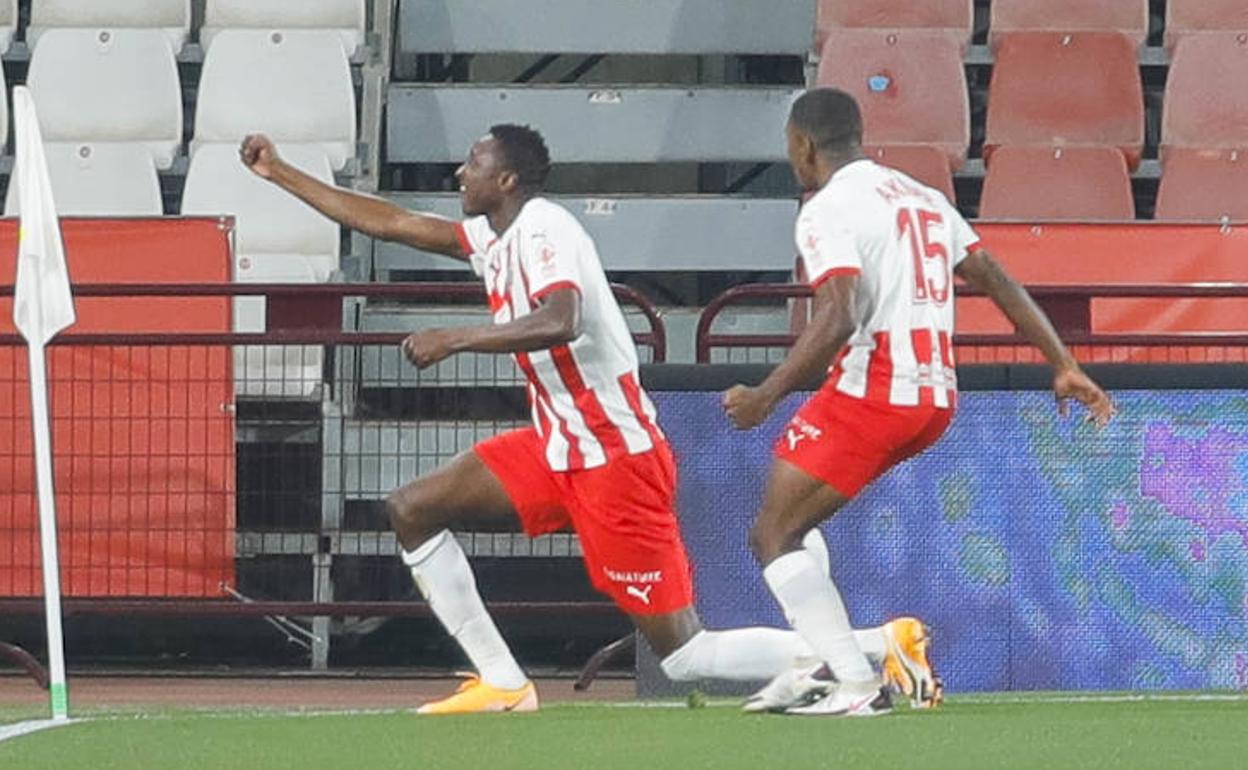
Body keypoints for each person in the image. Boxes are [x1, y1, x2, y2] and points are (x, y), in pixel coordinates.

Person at [239, 125, 922, 714]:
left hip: (615, 458)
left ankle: (874, 647)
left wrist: (455, 337)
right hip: (559, 447)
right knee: (413, 508)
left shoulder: (546, 227)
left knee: (685, 655)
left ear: (505, 178)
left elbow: (559, 320)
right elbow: (386, 221)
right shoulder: (493, 237)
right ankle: (505, 683)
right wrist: (281, 174)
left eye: (472, 164)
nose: (458, 173)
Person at [722, 89, 1117, 716]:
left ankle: (855, 683)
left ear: (803, 145)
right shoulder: (924, 198)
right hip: (935, 396)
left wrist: (767, 393)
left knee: (772, 533)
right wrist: (1063, 363)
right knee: (794, 525)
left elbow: (838, 314)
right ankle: (822, 662)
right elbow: (995, 277)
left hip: (876, 387)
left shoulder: (826, 210)